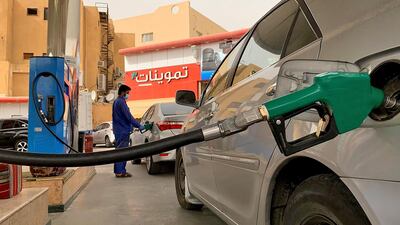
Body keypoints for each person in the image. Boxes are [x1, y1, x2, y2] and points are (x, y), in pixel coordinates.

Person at [112, 84, 144, 178]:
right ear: (123, 92)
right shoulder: (121, 102)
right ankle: (120, 172)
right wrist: (139, 125)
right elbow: (128, 116)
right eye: (127, 93)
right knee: (123, 153)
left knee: (119, 152)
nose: (128, 95)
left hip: (119, 130)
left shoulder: (116, 102)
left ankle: (118, 171)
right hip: (122, 131)